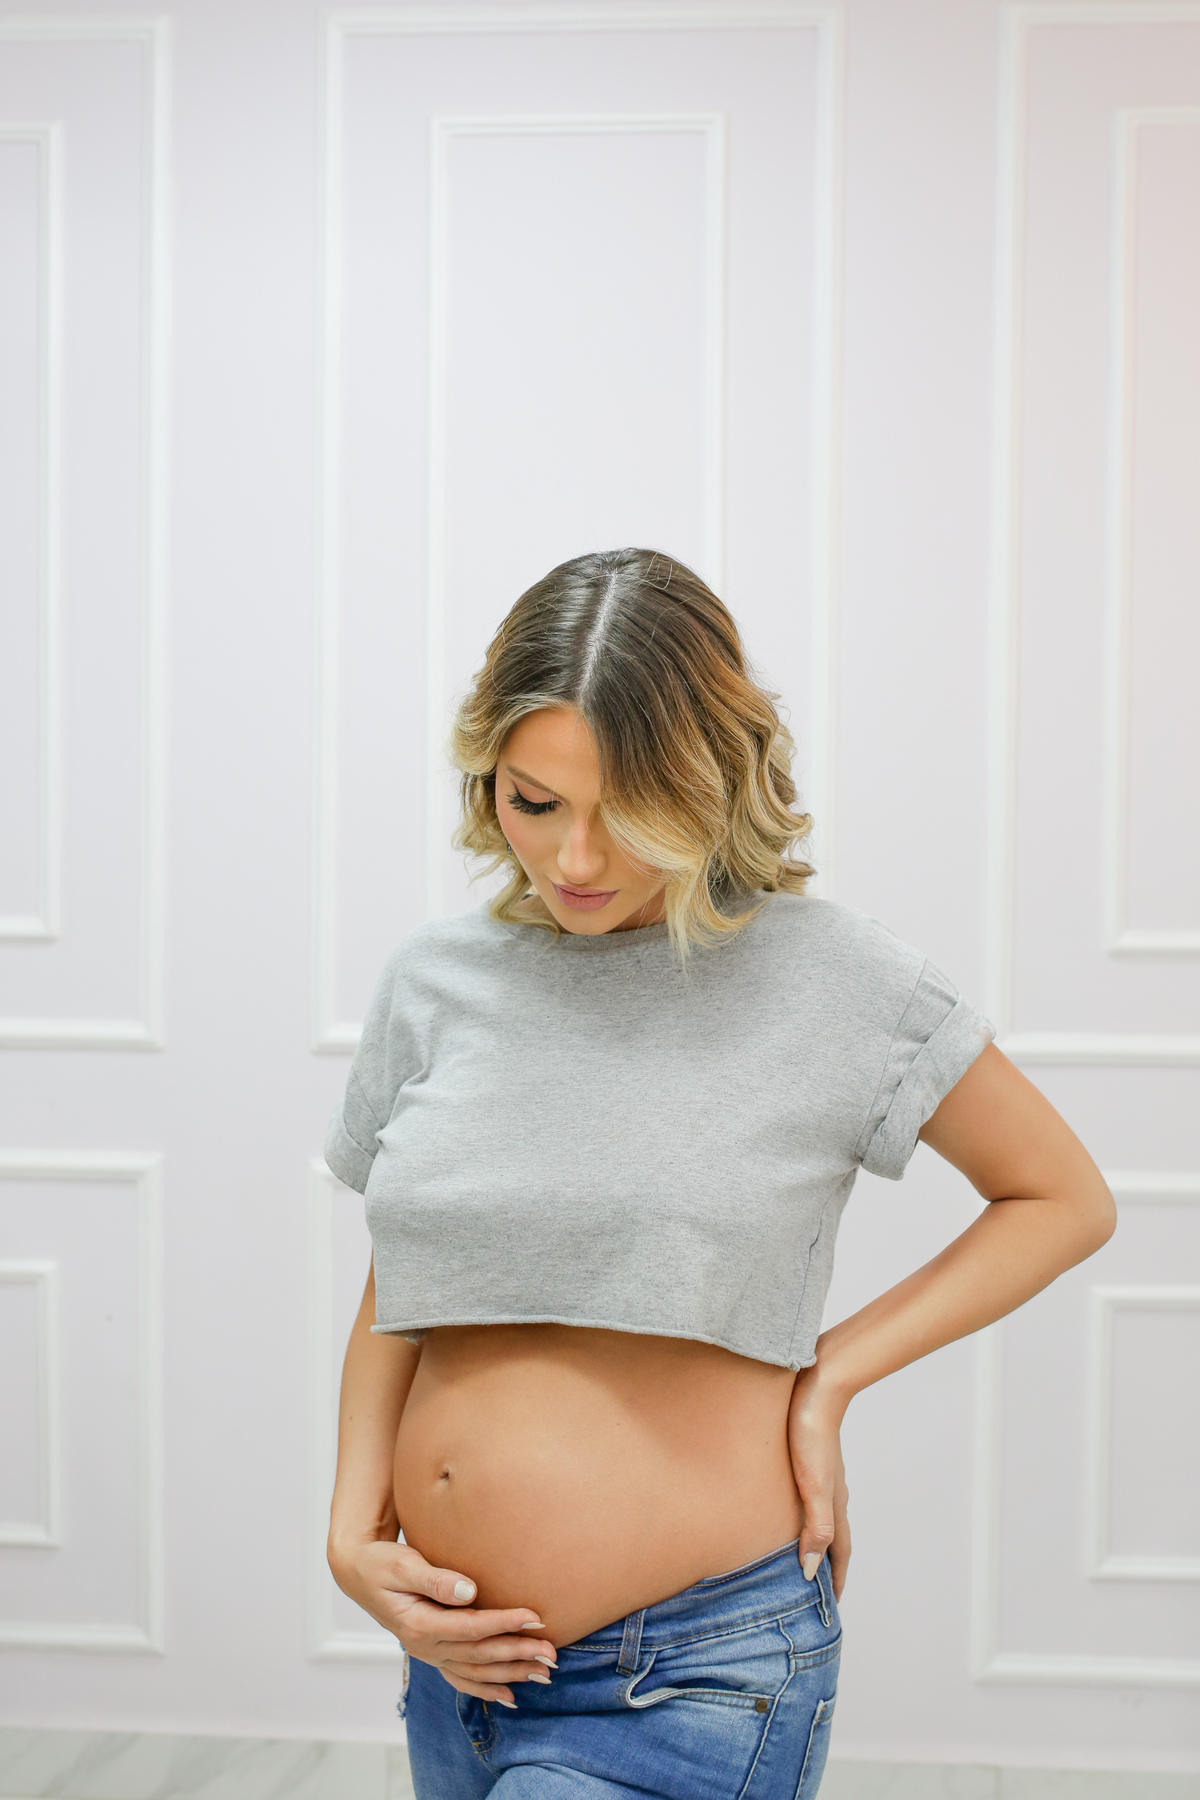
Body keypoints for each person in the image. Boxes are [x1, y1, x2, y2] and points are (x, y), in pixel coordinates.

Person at [324, 548, 1115, 1799]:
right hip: (457, 1678)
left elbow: (1063, 1199)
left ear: (709, 783)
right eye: (537, 803)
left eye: (630, 810)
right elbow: (410, 1265)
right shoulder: (435, 981)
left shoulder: (833, 978)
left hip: (688, 1678)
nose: (577, 858)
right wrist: (351, 1529)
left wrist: (828, 1378)